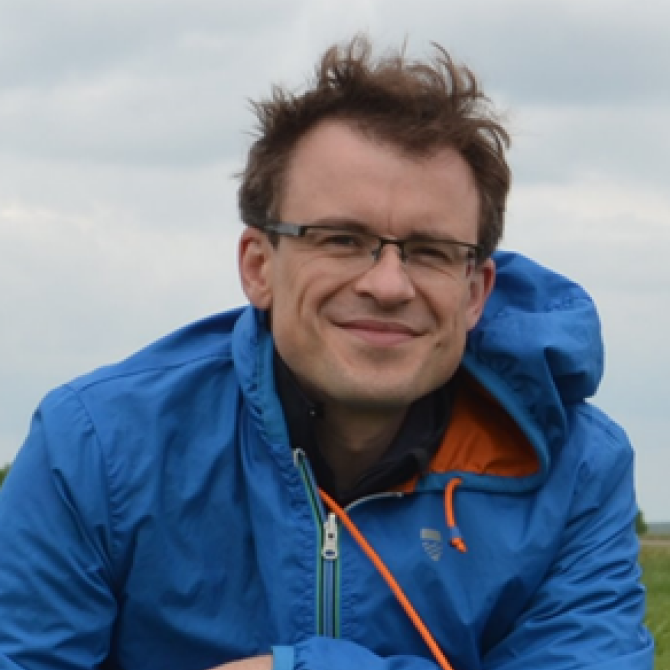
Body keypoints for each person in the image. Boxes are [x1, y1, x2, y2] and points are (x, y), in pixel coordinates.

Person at [0, 36, 653, 670]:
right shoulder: (97, 449)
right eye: (341, 239)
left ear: (476, 292)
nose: (389, 285)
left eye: (430, 251)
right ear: (259, 267)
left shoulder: (572, 468)